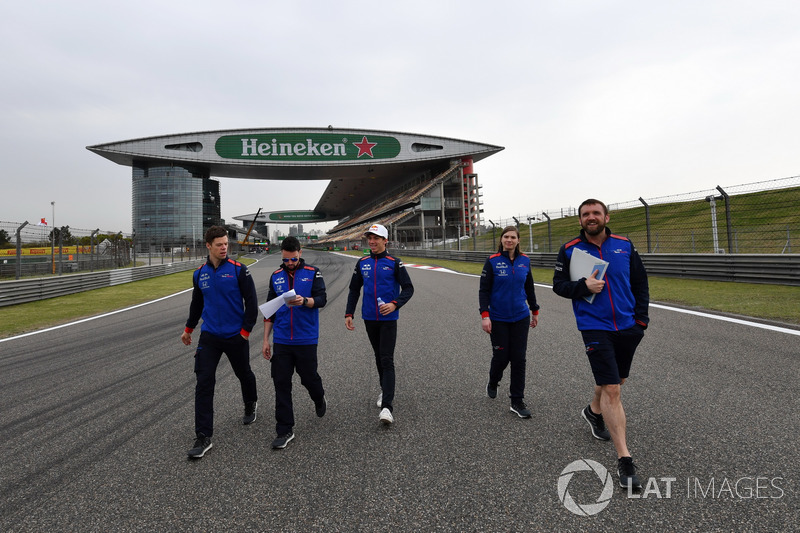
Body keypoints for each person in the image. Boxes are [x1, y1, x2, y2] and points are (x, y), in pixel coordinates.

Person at [552, 199, 650, 491]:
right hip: (594, 326)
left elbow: (640, 283)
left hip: (628, 325)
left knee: (615, 379)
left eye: (596, 213)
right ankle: (625, 459)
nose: (591, 217)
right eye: (585, 214)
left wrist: (641, 321)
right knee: (613, 388)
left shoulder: (624, 244)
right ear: (580, 220)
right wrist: (583, 286)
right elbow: (558, 286)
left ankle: (593, 411)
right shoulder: (570, 249)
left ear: (606, 216)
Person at [181, 226, 259, 459]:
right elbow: (196, 304)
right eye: (219, 244)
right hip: (210, 336)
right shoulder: (199, 274)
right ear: (208, 246)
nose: (224, 248)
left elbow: (252, 303)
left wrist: (245, 332)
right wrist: (188, 329)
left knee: (243, 373)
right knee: (203, 382)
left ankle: (250, 402)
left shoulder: (239, 270)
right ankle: (203, 436)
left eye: (226, 244)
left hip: (236, 335)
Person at [262, 236, 327, 450]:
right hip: (281, 339)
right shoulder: (276, 276)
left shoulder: (313, 272)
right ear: (282, 254)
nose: (290, 263)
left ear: (299, 253)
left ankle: (318, 397)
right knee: (281, 383)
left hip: (306, 338)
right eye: (286, 259)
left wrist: (305, 301)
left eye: (293, 259)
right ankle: (284, 429)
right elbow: (269, 310)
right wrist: (265, 340)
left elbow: (322, 299)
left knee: (309, 378)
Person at [345, 223, 414, 425]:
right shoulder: (362, 262)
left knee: (386, 359)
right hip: (369, 317)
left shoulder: (395, 263)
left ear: (385, 241)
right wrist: (349, 313)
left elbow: (408, 289)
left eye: (376, 238)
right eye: (370, 238)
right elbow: (353, 290)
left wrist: (395, 304)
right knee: (378, 357)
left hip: (388, 319)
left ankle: (387, 407)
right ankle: (384, 390)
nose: (372, 242)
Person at [478, 226, 540, 419]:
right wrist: (485, 315)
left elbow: (529, 286)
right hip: (498, 318)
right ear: (502, 239)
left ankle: (517, 400)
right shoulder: (492, 261)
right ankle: (493, 379)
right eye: (506, 236)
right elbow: (484, 291)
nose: (509, 240)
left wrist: (535, 310)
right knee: (501, 357)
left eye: (513, 237)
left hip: (521, 316)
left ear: (518, 240)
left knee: (519, 359)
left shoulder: (525, 261)